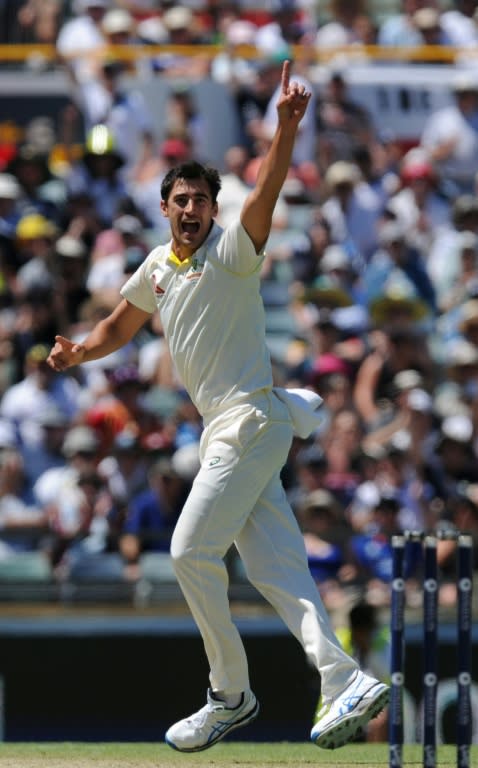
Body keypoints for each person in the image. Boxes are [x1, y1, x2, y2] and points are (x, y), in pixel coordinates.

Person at [47, 61, 388, 753]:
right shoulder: (155, 267)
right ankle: (340, 676)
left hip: (249, 422)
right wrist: (82, 352)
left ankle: (229, 693)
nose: (193, 209)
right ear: (165, 206)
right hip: (230, 433)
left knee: (187, 551)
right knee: (275, 570)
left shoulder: (234, 251)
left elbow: (265, 190)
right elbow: (121, 323)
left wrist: (285, 128)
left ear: (212, 207)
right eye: (183, 200)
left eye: (203, 199)